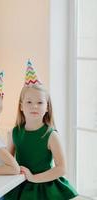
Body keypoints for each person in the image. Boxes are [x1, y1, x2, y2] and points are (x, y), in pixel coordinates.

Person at [5, 61, 78, 199]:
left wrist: (33, 178)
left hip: (45, 186)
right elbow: (8, 163)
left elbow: (61, 168)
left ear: (47, 107)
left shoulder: (51, 135)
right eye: (29, 102)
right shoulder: (15, 133)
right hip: (20, 185)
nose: (34, 106)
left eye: (40, 102)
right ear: (21, 106)